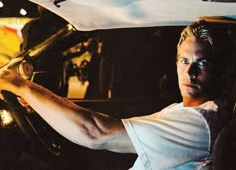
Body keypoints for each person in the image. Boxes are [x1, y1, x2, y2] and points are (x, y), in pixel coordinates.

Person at [0, 20, 234, 169]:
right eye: (184, 61)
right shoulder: (184, 111)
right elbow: (117, 123)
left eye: (202, 64)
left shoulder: (201, 122)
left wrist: (20, 85)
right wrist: (43, 106)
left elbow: (97, 132)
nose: (190, 72)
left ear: (220, 72)